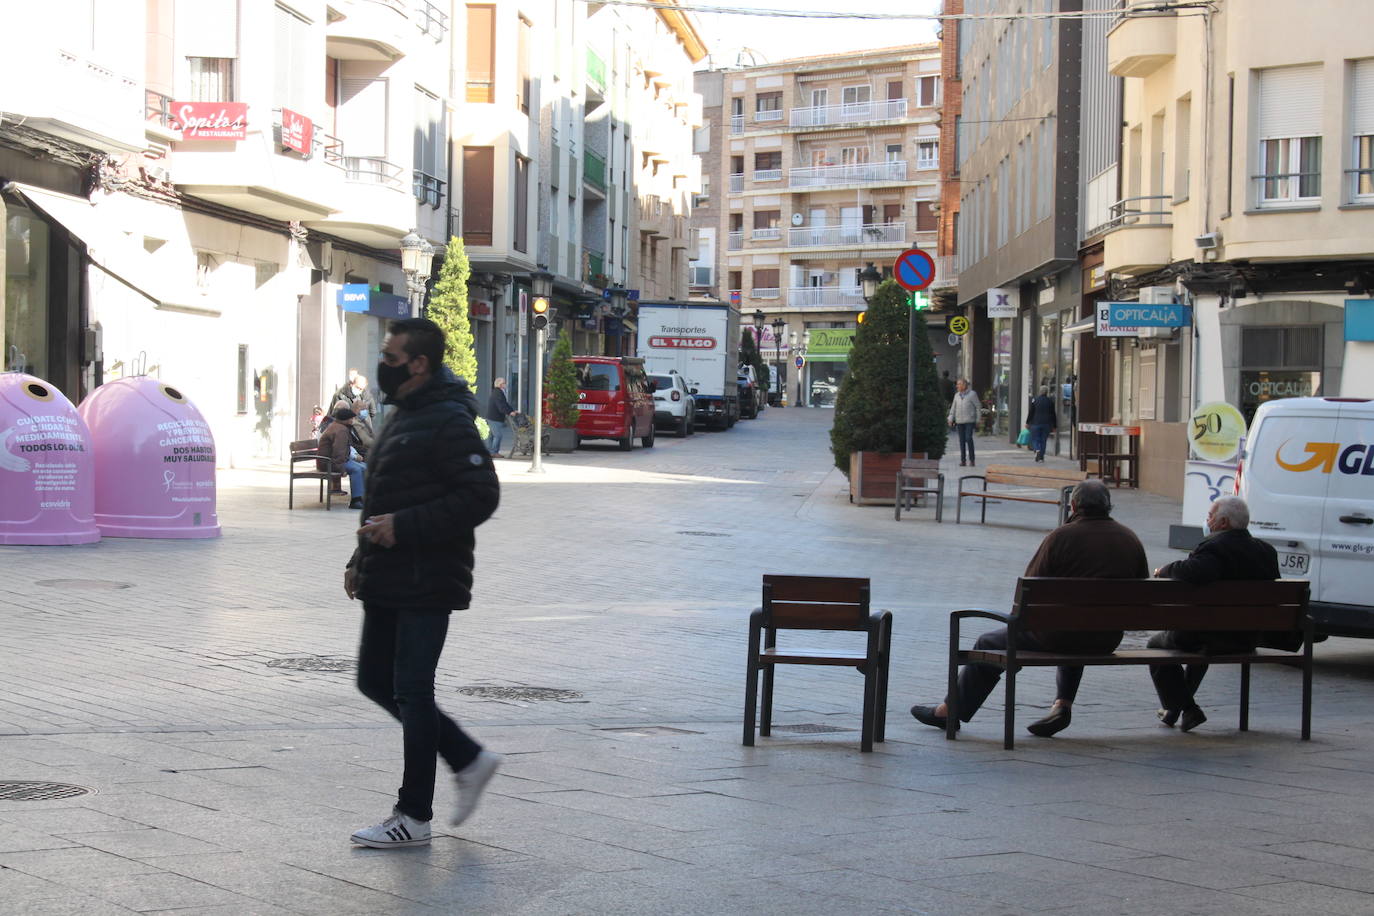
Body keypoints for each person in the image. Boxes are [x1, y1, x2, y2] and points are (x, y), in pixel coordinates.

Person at [344, 317, 502, 850]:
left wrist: (403, 528)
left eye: (390, 357)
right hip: (388, 574)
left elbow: (481, 495)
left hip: (427, 577)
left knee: (411, 690)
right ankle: (469, 758)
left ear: (418, 364)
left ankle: (413, 816)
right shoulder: (405, 413)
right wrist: (359, 556)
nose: (381, 365)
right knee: (374, 680)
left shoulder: (447, 419)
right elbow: (384, 499)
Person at [910, 479, 1149, 738]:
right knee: (1077, 625)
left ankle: (950, 711)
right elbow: (1143, 594)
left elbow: (1029, 591)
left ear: (1074, 505)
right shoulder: (1129, 538)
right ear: (1109, 506)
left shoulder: (1060, 537)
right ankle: (1062, 705)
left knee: (988, 642)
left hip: (1058, 634)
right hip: (1106, 637)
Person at [1148, 496, 1280, 732]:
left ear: (1223, 523)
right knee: (1204, 639)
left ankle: (1187, 708)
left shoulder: (1215, 548)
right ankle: (1179, 709)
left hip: (1208, 636)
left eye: (1210, 516)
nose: (1207, 520)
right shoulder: (1266, 551)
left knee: (1156, 645)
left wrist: (1164, 570)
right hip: (1246, 637)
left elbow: (1194, 570)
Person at [318, 407, 366, 510]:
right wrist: (341, 469)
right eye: (351, 419)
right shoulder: (341, 430)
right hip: (329, 463)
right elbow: (338, 452)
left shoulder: (339, 427)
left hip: (333, 460)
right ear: (346, 419)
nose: (353, 420)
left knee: (364, 467)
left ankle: (363, 497)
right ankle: (356, 500)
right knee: (357, 469)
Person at [947, 378, 980, 467]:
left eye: (959, 384)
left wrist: (978, 420)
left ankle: (972, 459)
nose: (957, 386)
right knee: (961, 441)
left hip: (969, 420)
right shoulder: (956, 395)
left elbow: (978, 407)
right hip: (959, 421)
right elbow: (953, 408)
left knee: (968, 438)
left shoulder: (972, 394)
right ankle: (963, 460)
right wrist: (950, 418)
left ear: (964, 385)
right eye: (957, 384)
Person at [1026, 385, 1057, 462]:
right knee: (1043, 440)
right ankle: (1041, 457)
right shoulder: (1050, 401)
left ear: (1040, 391)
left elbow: (1031, 412)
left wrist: (1027, 422)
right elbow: (1053, 414)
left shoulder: (1035, 400)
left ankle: (1037, 449)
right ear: (1047, 392)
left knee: (1035, 439)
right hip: (1046, 424)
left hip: (1035, 423)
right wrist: (1054, 425)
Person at [484, 377, 514, 456]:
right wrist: (509, 412)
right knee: (498, 435)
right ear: (500, 384)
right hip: (494, 418)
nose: (505, 384)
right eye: (504, 383)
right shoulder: (498, 393)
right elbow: (501, 406)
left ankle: (489, 451)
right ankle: (494, 452)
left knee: (491, 435)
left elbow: (505, 404)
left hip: (492, 417)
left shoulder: (498, 392)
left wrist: (512, 411)